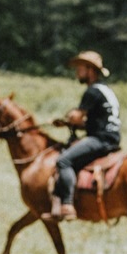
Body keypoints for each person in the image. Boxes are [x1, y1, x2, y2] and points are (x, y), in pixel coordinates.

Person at [51, 50, 121, 221]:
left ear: (90, 70)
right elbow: (90, 121)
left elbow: (76, 116)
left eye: (80, 68)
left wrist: (67, 119)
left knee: (63, 160)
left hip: (100, 139)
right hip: (110, 136)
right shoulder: (105, 90)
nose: (77, 73)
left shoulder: (92, 91)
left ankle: (67, 205)